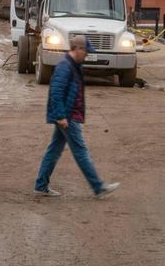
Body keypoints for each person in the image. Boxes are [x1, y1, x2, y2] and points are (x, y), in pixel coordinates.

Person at [33, 35, 120, 198]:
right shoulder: (66, 66)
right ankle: (98, 187)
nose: (87, 55)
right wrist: (61, 116)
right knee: (80, 151)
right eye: (86, 51)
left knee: (54, 150)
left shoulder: (73, 65)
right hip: (67, 115)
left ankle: (40, 185)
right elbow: (56, 93)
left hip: (68, 114)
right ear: (78, 49)